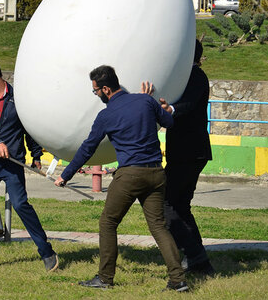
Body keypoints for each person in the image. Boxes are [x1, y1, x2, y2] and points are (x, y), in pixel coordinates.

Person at [54, 65, 189, 292]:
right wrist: (155, 106)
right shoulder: (146, 101)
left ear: (106, 89)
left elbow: (88, 149)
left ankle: (105, 278)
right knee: (158, 227)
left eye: (95, 90)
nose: (96, 94)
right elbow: (169, 122)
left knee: (107, 223)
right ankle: (178, 280)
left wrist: (65, 175)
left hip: (130, 175)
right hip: (156, 173)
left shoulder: (106, 115)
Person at [0, 54, 58, 271]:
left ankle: (47, 252)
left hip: (12, 164)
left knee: (20, 204)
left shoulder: (19, 98)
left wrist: (36, 155)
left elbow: (28, 128)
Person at [152, 40, 215, 276]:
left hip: (191, 152)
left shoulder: (196, 76)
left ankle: (195, 255)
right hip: (185, 152)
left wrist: (171, 110)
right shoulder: (186, 76)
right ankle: (198, 258)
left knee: (166, 203)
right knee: (179, 205)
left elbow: (186, 105)